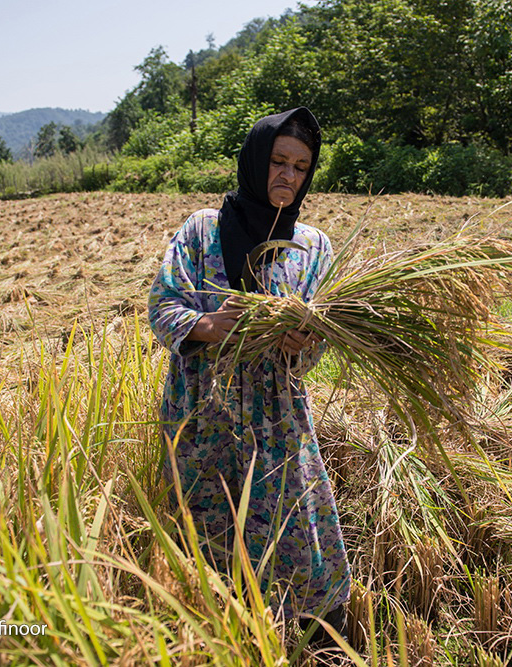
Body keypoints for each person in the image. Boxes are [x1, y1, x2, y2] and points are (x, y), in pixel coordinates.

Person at [147, 107, 350, 646]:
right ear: (256, 159)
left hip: (277, 414)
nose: (287, 175)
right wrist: (207, 325)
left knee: (290, 523)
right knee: (208, 528)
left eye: (301, 167)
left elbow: (318, 343)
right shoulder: (203, 229)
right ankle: (213, 637)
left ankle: (306, 636)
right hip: (203, 412)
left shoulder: (313, 247)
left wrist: (302, 345)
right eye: (278, 161)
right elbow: (161, 304)